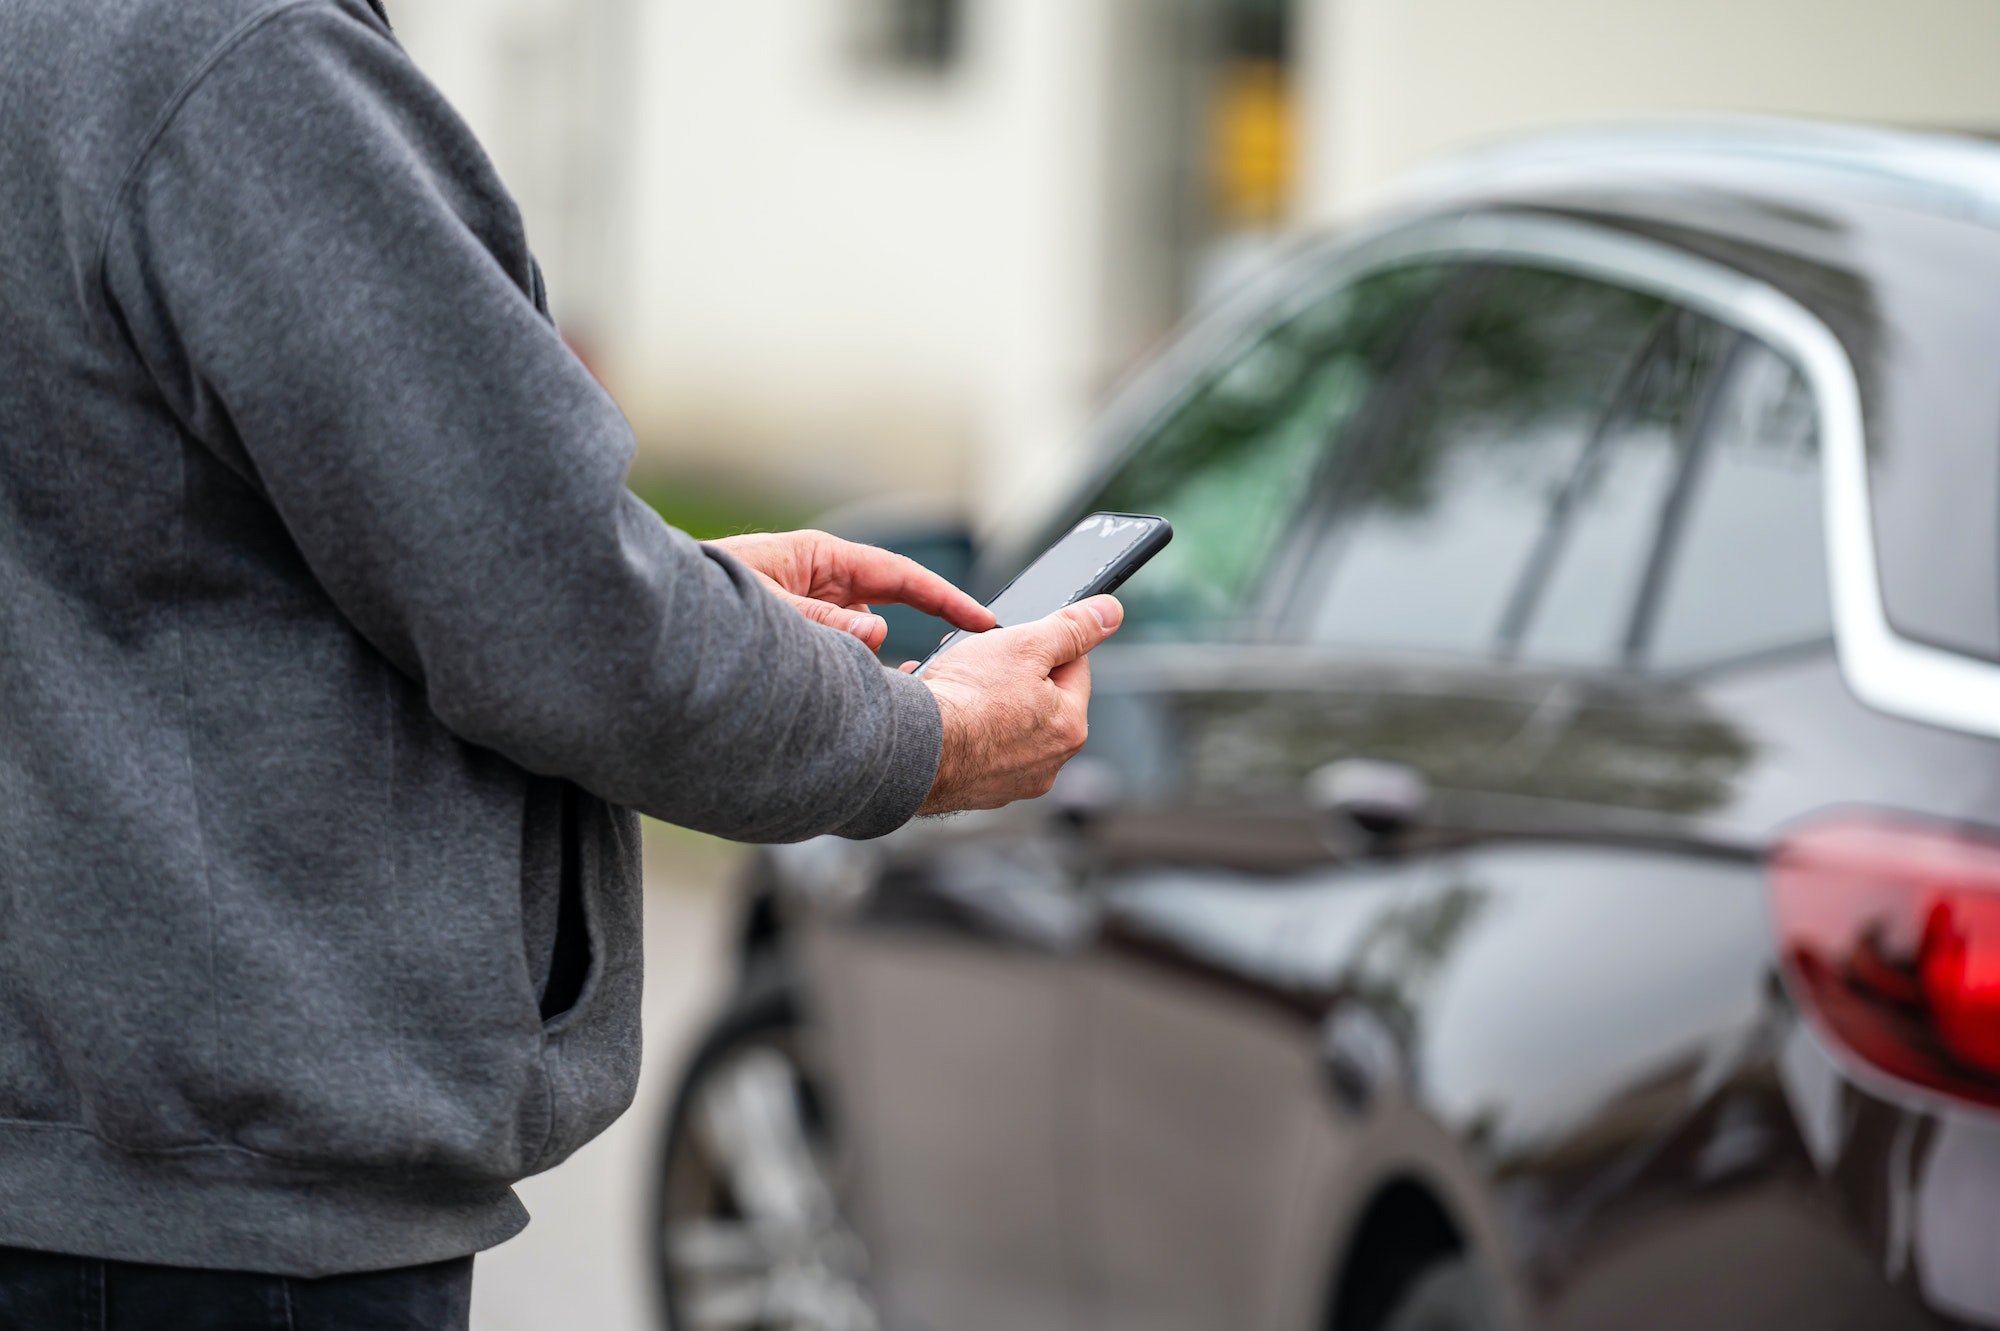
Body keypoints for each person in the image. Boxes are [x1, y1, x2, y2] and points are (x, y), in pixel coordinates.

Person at [0, 0, 1121, 1325]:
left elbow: (153, 522)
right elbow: (558, 616)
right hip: (225, 1244)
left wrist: (669, 582)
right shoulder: (235, 53)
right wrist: (917, 737)